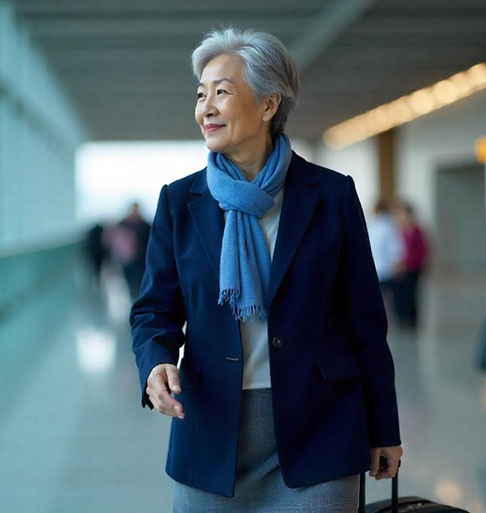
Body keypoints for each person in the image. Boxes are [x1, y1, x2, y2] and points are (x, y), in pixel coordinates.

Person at [130, 28, 402, 512]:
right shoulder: (179, 201)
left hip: (321, 429)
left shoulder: (331, 195)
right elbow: (154, 310)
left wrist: (384, 429)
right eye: (200, 94)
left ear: (269, 104)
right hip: (211, 432)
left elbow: (365, 323)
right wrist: (154, 362)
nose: (205, 107)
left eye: (222, 92)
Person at [366, 200, 405, 318]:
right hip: (385, 269)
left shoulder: (372, 225)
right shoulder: (389, 226)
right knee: (386, 297)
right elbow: (396, 250)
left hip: (376, 268)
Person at [393, 201, 429, 328]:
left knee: (412, 293)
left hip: (413, 267)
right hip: (399, 267)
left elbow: (423, 249)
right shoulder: (396, 231)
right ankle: (401, 317)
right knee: (399, 293)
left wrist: (421, 263)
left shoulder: (417, 230)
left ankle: (412, 318)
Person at [113, 203, 151, 300]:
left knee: (140, 280)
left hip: (141, 259)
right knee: (130, 280)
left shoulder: (144, 225)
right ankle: (134, 298)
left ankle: (138, 298)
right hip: (128, 259)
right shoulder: (124, 224)